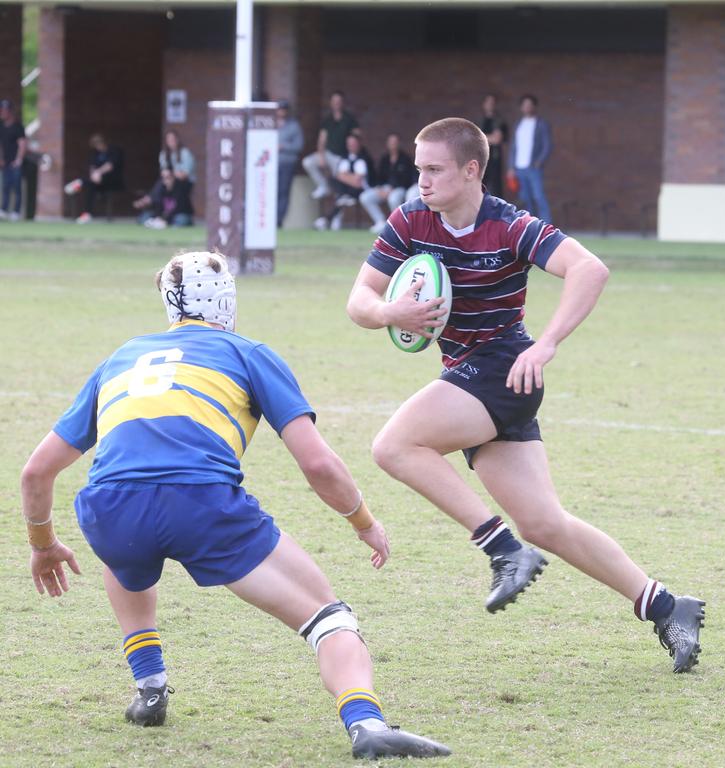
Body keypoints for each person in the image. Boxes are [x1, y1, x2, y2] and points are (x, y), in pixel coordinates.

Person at [20, 251, 450, 760]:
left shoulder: (122, 356)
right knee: (329, 619)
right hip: (200, 503)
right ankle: (368, 726)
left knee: (126, 550)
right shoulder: (247, 352)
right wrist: (364, 521)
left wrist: (43, 545)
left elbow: (35, 472)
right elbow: (318, 465)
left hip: (109, 508)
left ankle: (150, 688)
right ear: (226, 299)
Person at [346, 118, 705, 674]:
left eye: (434, 169)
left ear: (471, 171)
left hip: (503, 369)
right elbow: (360, 299)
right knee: (545, 523)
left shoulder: (510, 225)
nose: (422, 180)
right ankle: (666, 605)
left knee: (394, 447)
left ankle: (500, 549)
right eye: (419, 169)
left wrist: (548, 343)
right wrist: (389, 312)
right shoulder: (410, 220)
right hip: (476, 375)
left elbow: (589, 269)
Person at [302, 91, 359, 200]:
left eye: (339, 101)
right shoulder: (328, 120)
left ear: (342, 103)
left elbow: (357, 136)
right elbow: (321, 140)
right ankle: (323, 186)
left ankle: (337, 215)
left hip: (341, 157)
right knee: (308, 162)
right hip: (327, 154)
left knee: (339, 183)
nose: (336, 103)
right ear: (331, 103)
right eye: (334, 101)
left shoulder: (349, 119)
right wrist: (322, 157)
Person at [359, 133, 417, 235]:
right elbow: (379, 177)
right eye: (391, 142)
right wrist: (379, 188)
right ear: (387, 144)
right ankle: (380, 221)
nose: (393, 145)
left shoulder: (405, 159)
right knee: (365, 197)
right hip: (384, 188)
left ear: (399, 144)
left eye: (395, 142)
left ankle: (398, 226)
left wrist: (392, 188)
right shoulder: (384, 159)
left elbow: (407, 179)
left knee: (393, 198)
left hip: (400, 189)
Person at [507, 94, 552, 222]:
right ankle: (531, 227)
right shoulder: (518, 124)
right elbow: (513, 147)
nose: (527, 107)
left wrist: (540, 161)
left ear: (534, 107)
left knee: (538, 197)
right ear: (521, 107)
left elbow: (547, 145)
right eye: (525, 105)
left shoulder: (541, 124)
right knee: (525, 199)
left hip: (533, 168)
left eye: (530, 105)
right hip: (518, 168)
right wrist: (511, 167)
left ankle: (547, 227)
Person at [314, 134, 373, 232]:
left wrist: (345, 176)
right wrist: (348, 177)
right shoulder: (344, 158)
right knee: (334, 184)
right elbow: (339, 176)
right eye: (349, 144)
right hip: (345, 189)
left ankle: (325, 219)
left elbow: (358, 182)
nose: (351, 146)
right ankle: (342, 199)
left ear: (358, 144)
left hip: (359, 191)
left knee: (340, 197)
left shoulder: (364, 158)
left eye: (353, 143)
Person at [64, 133, 124, 224]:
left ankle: (80, 183)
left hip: (112, 180)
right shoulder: (95, 153)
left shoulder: (113, 151)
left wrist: (98, 173)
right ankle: (87, 214)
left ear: (103, 142)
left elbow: (110, 166)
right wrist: (94, 175)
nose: (97, 146)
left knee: (90, 183)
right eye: (95, 144)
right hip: (97, 181)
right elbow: (92, 167)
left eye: (98, 143)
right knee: (90, 186)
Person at [276, 100, 304, 227]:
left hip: (287, 163)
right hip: (270, 164)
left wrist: (283, 146)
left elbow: (299, 145)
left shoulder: (294, 125)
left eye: (284, 109)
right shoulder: (271, 124)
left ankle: (279, 220)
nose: (282, 112)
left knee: (283, 192)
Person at [0, 99, 27, 221]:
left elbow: (22, 144)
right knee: (5, 187)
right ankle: (4, 210)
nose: (2, 112)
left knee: (16, 188)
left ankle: (16, 212)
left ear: (10, 111)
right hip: (5, 162)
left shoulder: (18, 126)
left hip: (15, 162)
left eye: (4, 110)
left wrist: (18, 160)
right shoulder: (1, 126)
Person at [477, 94, 507, 199]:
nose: (491, 105)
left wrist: (483, 137)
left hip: (494, 158)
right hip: (480, 159)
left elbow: (497, 139)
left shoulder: (500, 121)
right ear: (484, 104)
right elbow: (475, 139)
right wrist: (490, 137)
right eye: (488, 102)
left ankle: (497, 214)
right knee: (479, 186)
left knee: (496, 188)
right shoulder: (479, 121)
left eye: (493, 103)